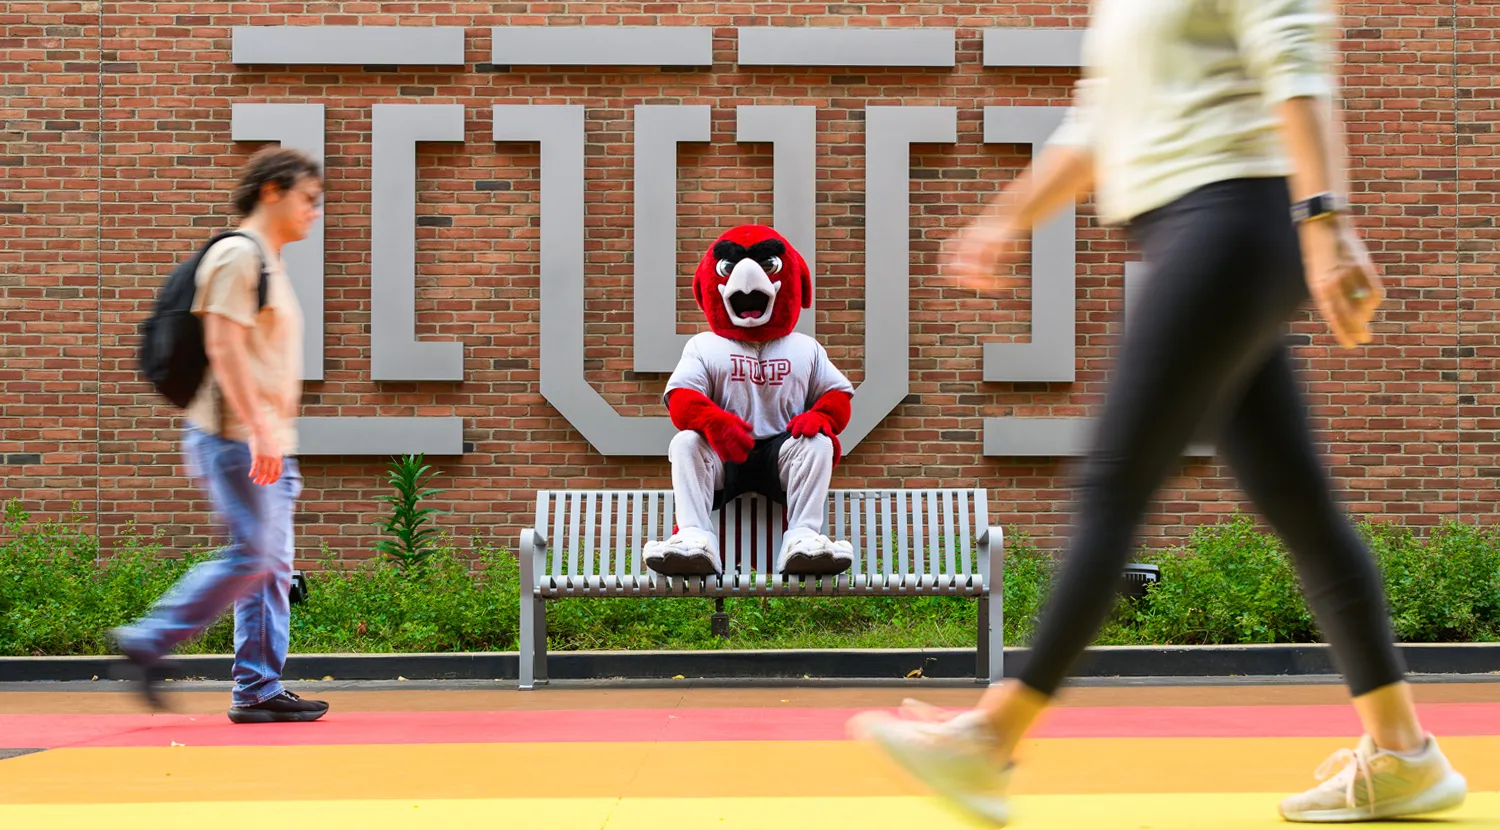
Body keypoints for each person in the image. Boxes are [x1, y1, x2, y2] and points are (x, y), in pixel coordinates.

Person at [849, 0, 1468, 823]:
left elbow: (1296, 60)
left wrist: (1326, 221)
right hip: (1203, 230)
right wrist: (1006, 219)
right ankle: (1402, 754)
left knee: (1114, 483)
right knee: (1300, 507)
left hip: (1232, 220)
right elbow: (1102, 121)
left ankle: (991, 739)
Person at [110, 147, 329, 724]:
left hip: (264, 438)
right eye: (308, 198)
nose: (315, 210)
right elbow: (223, 345)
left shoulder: (268, 261)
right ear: (272, 191)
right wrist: (258, 428)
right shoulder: (238, 254)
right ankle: (148, 638)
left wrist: (272, 433)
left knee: (271, 566)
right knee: (254, 555)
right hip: (235, 436)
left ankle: (257, 689)